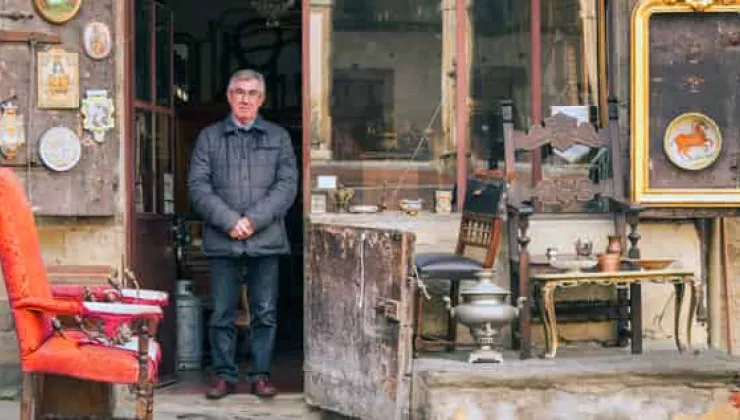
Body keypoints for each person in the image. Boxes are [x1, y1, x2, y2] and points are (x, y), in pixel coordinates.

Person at [187, 69, 298, 400]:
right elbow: (198, 186)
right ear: (229, 96)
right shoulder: (209, 137)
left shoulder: (278, 137)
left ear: (262, 99)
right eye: (239, 92)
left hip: (265, 240)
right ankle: (224, 375)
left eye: (252, 93)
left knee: (264, 312)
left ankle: (261, 375)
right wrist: (230, 221)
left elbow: (287, 186)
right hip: (224, 241)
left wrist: (252, 220)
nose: (245, 98)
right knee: (222, 313)